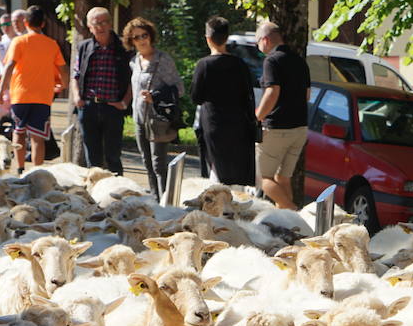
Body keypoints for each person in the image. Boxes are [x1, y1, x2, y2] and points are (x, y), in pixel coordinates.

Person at [0, 5, 66, 172]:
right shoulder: (52, 44)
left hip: (21, 95)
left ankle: (20, 169)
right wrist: (62, 85)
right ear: (43, 24)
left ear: (25, 22)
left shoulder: (19, 42)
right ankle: (37, 170)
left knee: (19, 133)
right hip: (43, 96)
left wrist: (0, 91)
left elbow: (9, 66)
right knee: (38, 136)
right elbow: (63, 69)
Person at [191, 16, 258, 187]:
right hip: (238, 126)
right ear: (226, 38)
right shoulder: (240, 65)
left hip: (213, 125)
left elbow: (196, 97)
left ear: (208, 39)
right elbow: (248, 95)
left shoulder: (204, 65)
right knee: (238, 175)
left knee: (216, 173)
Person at [253, 21, 310, 210]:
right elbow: (307, 95)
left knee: (261, 177)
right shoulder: (300, 60)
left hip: (277, 128)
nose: (258, 47)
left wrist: (257, 116)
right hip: (300, 128)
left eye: (257, 42)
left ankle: (294, 211)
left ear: (265, 39)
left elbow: (272, 92)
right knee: (282, 177)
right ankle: (289, 223)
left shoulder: (272, 60)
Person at [69, 7, 131, 175]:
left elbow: (133, 77)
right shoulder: (83, 47)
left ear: (111, 23)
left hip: (113, 107)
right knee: (93, 158)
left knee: (113, 156)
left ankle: (118, 190)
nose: (101, 27)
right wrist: (77, 97)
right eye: (96, 23)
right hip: (89, 106)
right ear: (89, 26)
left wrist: (125, 101)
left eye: (105, 22)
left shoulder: (123, 47)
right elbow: (75, 75)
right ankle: (95, 193)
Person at [126, 16, 181, 200]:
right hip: (139, 119)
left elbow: (178, 89)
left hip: (157, 119)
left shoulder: (163, 60)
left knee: (159, 164)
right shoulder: (134, 61)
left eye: (144, 35)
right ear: (131, 40)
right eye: (136, 37)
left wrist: (155, 96)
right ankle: (155, 200)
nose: (141, 40)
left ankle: (166, 202)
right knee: (147, 163)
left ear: (151, 36)